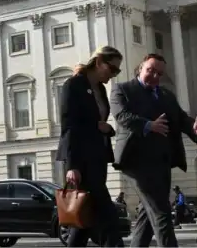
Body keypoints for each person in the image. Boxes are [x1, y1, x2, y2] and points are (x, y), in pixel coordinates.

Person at [111, 54, 197, 247]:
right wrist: (149, 125)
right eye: (151, 70)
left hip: (162, 162)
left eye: (159, 73)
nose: (155, 76)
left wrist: (193, 128)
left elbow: (180, 118)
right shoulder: (123, 89)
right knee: (161, 213)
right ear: (141, 68)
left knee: (147, 217)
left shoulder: (166, 95)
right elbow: (122, 116)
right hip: (136, 162)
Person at [56, 46, 126, 247]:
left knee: (83, 218)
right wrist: (72, 165)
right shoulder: (73, 85)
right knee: (108, 217)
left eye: (117, 72)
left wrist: (107, 129)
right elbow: (69, 126)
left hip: (98, 157)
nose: (113, 75)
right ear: (98, 63)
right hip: (82, 160)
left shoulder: (101, 90)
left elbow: (98, 123)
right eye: (112, 69)